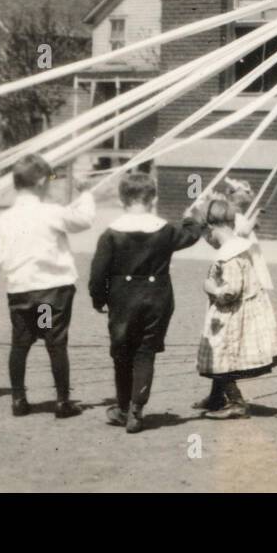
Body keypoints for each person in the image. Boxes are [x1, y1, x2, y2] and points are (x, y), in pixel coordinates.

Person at [89, 173, 205, 433]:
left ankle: (121, 407)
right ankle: (137, 409)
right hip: (157, 298)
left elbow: (98, 272)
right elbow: (190, 235)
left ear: (122, 199)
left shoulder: (111, 234)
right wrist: (191, 217)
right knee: (145, 352)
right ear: (153, 198)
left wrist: (98, 297)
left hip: (123, 298)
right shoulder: (165, 230)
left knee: (122, 353)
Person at [0, 154, 97, 419]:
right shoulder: (51, 213)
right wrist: (85, 193)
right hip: (50, 293)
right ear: (40, 182)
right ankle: (62, 401)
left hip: (20, 291)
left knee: (20, 344)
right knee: (55, 343)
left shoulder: (6, 218)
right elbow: (83, 220)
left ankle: (18, 399)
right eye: (49, 180)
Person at [194, 196, 277, 419]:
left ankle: (236, 401)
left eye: (205, 235)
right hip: (238, 312)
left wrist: (210, 287)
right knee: (220, 352)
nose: (206, 241)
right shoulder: (239, 246)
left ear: (211, 228)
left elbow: (231, 292)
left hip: (232, 314)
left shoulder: (230, 255)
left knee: (222, 353)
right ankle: (216, 397)